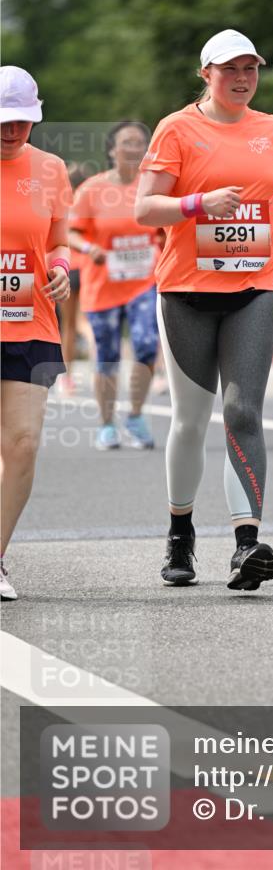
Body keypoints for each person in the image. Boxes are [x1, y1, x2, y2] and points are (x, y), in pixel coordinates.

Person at [135, 28, 273, 590]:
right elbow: (145, 210)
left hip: (257, 287)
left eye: (250, 69)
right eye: (230, 69)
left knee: (243, 412)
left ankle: (246, 545)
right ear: (205, 73)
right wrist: (196, 203)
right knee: (189, 421)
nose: (242, 79)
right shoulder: (177, 129)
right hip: (186, 291)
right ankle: (180, 533)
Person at [0, 66, 72, 600]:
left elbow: (59, 238)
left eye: (21, 121)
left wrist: (63, 268)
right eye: (3, 122)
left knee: (22, 445)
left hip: (30, 322)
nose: (11, 132)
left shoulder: (50, 169)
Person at [69, 121, 158, 451]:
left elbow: (166, 228)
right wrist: (87, 248)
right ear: (111, 150)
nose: (135, 148)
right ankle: (107, 424)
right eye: (127, 142)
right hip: (103, 285)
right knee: (106, 357)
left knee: (147, 345)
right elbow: (69, 231)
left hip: (143, 283)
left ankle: (135, 414)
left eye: (141, 143)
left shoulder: (154, 188)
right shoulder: (92, 190)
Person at [58, 162, 94, 395]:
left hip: (67, 269)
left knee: (68, 327)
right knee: (85, 322)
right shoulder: (91, 204)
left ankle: (66, 379)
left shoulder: (59, 205)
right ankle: (96, 358)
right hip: (87, 269)